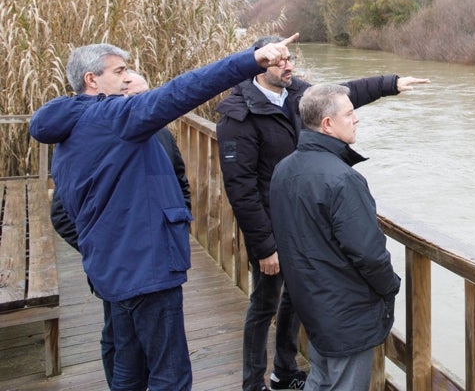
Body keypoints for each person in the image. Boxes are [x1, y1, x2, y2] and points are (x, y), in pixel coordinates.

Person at [30, 36, 297, 390]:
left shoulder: (71, 128)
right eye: (119, 71)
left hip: (113, 267)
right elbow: (183, 90)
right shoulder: (113, 117)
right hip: (146, 268)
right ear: (91, 80)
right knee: (169, 374)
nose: (127, 80)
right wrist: (252, 60)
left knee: (128, 365)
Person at [215, 35, 427, 391]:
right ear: (259, 64)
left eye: (290, 60)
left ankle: (283, 369)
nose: (289, 66)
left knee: (301, 305)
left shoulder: (299, 96)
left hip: (306, 226)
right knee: (264, 305)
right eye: (280, 61)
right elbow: (241, 189)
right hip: (278, 229)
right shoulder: (238, 113)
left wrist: (390, 84)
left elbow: (341, 94)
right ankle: (252, 382)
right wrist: (265, 245)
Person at [48, 70, 190, 388]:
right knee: (122, 347)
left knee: (150, 354)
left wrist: (177, 229)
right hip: (117, 266)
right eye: (134, 97)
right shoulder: (100, 138)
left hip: (157, 260)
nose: (144, 105)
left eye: (147, 97)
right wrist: (105, 247)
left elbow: (180, 183)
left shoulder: (162, 135)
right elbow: (62, 214)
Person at [269, 84, 400, 390]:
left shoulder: (283, 169)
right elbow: (368, 253)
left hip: (313, 302)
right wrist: (390, 286)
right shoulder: (343, 179)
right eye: (350, 113)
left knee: (321, 377)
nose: (357, 119)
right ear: (328, 124)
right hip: (346, 312)